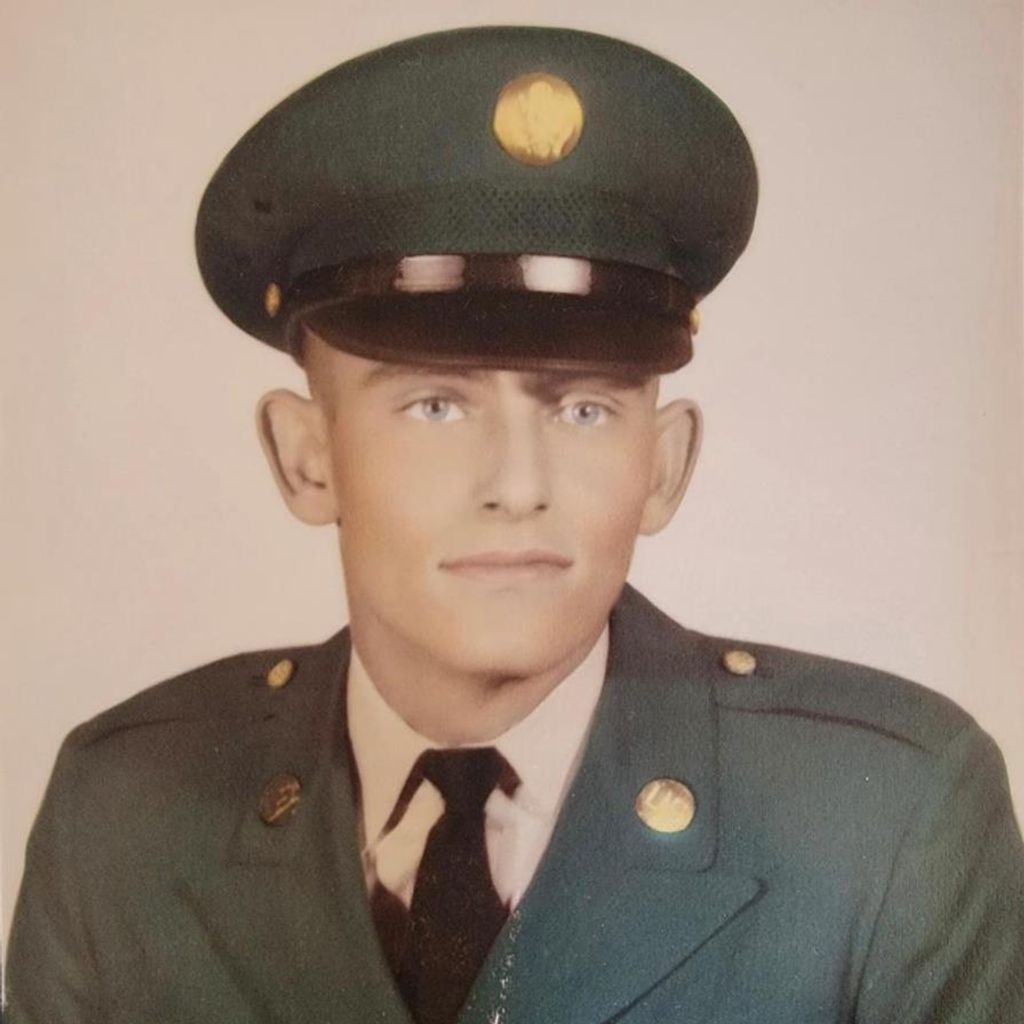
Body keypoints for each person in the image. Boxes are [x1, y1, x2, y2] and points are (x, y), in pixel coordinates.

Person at [5, 24, 1022, 1024]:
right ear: (306, 457)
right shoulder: (124, 807)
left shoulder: (887, 820)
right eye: (434, 406)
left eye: (583, 410)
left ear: (663, 466)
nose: (517, 485)